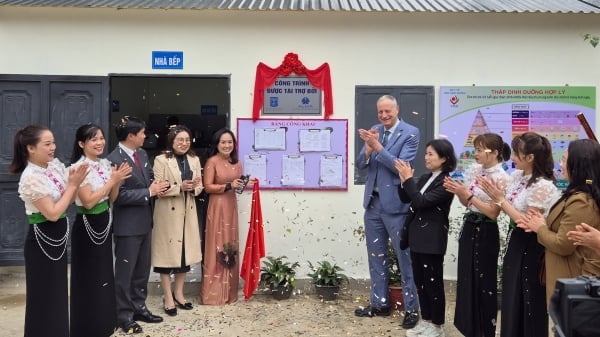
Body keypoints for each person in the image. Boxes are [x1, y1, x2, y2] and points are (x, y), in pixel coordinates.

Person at [477, 132, 560, 337]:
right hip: (515, 241)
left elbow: (527, 222)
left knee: (529, 299)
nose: (512, 157)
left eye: (517, 153)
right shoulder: (518, 177)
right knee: (511, 297)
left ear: (530, 157)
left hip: (532, 245)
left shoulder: (543, 185)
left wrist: (500, 200)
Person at [9, 125, 89, 337]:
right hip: (42, 242)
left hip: (57, 239)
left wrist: (74, 186)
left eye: (53, 142)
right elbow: (52, 213)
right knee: (43, 296)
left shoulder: (53, 166)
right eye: (47, 144)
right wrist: (72, 185)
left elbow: (69, 201)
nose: (53, 147)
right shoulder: (30, 177)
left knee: (58, 294)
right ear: (30, 148)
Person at [355, 94, 421, 329]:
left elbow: (400, 168)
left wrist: (378, 147)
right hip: (372, 205)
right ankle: (380, 303)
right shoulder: (375, 130)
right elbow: (361, 165)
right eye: (380, 112)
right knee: (376, 256)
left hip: (396, 207)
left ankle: (411, 307)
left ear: (397, 110)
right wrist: (367, 148)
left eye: (387, 112)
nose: (383, 116)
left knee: (406, 259)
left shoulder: (411, 132)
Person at [442, 133, 511, 337]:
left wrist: (468, 195)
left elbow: (492, 212)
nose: (476, 154)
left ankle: (484, 330)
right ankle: (469, 328)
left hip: (487, 229)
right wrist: (460, 192)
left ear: (495, 153)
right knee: (467, 278)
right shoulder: (475, 171)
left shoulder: (501, 177)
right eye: (476, 149)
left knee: (483, 281)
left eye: (481, 150)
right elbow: (467, 204)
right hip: (470, 225)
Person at [517, 138, 600, 305]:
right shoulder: (575, 193)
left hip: (576, 285)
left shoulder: (581, 201)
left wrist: (540, 228)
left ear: (577, 166)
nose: (560, 165)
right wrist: (544, 223)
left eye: (564, 159)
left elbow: (564, 244)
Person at [107, 116, 170, 334]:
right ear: (131, 136)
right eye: (142, 133)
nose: (146, 136)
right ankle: (123, 316)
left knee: (142, 271)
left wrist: (157, 185)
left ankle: (139, 307)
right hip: (127, 226)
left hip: (145, 222)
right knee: (125, 273)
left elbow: (149, 178)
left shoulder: (141, 154)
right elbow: (117, 196)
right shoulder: (113, 159)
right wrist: (148, 192)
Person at [69, 124, 132, 337]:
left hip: (104, 220)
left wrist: (116, 183)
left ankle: (105, 323)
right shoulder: (79, 168)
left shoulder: (105, 164)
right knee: (88, 276)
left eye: (101, 138)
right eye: (93, 139)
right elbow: (87, 202)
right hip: (87, 224)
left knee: (104, 273)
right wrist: (112, 181)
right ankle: (87, 326)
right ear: (81, 144)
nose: (99, 143)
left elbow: (111, 199)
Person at [396, 139, 457, 337]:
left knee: (433, 283)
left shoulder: (447, 182)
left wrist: (408, 181)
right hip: (416, 236)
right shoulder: (425, 178)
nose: (426, 157)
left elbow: (422, 202)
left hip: (432, 238)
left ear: (444, 158)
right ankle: (426, 320)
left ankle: (438, 325)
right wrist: (403, 180)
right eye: (426, 153)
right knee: (420, 282)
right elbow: (407, 198)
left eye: (431, 154)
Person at [152, 125, 203, 316]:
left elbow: (200, 186)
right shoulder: (161, 159)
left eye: (187, 140)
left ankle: (179, 293)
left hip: (187, 212)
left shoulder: (195, 159)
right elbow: (158, 187)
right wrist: (179, 187)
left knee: (184, 255)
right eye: (180, 140)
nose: (184, 143)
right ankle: (167, 297)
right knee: (166, 257)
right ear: (172, 141)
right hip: (168, 213)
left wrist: (195, 187)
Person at [201, 128, 246, 305]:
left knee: (230, 245)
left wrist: (243, 184)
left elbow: (237, 185)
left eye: (230, 142)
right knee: (216, 245)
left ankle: (230, 293)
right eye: (223, 142)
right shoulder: (212, 161)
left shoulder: (237, 163)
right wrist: (228, 186)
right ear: (217, 144)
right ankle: (213, 294)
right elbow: (207, 187)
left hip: (231, 205)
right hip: (217, 206)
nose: (227, 145)